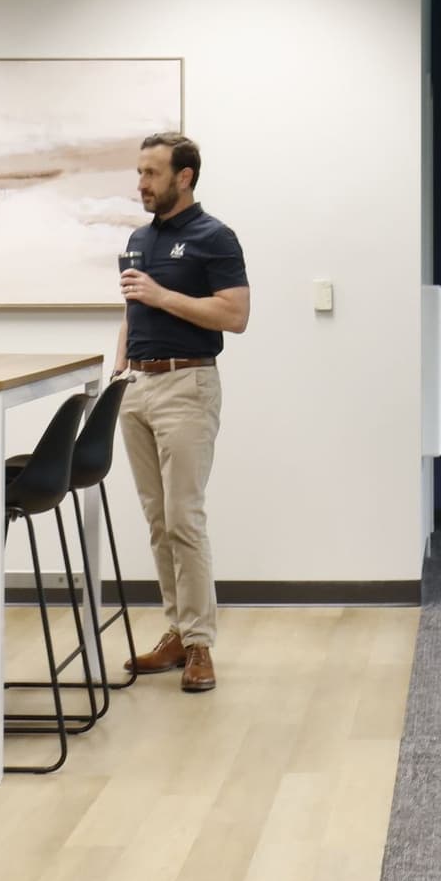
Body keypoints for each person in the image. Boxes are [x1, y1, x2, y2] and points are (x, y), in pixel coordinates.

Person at [117, 131, 249, 694]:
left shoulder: (214, 237)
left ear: (184, 176)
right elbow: (131, 311)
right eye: (140, 172)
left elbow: (235, 315)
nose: (141, 183)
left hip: (187, 383)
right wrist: (117, 373)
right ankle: (175, 631)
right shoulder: (137, 239)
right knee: (156, 521)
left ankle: (200, 645)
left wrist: (161, 296)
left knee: (183, 519)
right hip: (137, 389)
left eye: (151, 173)